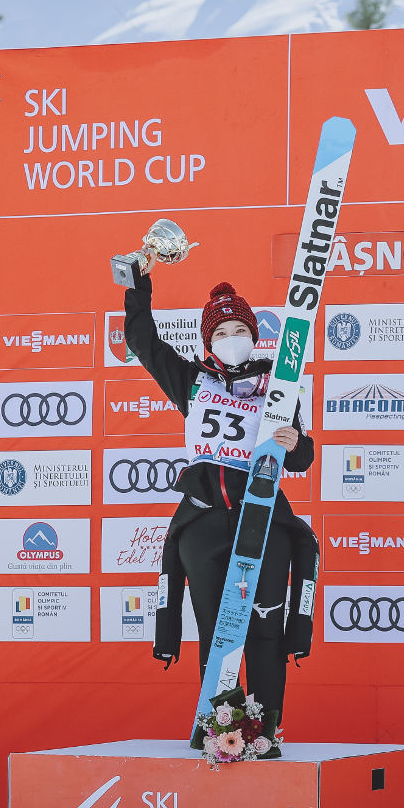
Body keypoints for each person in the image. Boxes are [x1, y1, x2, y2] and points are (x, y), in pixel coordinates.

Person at [123, 263, 319, 734]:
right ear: (208, 343)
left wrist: (297, 442)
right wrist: (137, 285)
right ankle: (225, 735)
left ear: (254, 335)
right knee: (217, 635)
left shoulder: (279, 385)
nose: (233, 338)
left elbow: (301, 458)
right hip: (207, 524)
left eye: (241, 330)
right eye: (223, 332)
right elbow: (143, 343)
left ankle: (265, 733)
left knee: (265, 632)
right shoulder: (192, 381)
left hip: (262, 520)